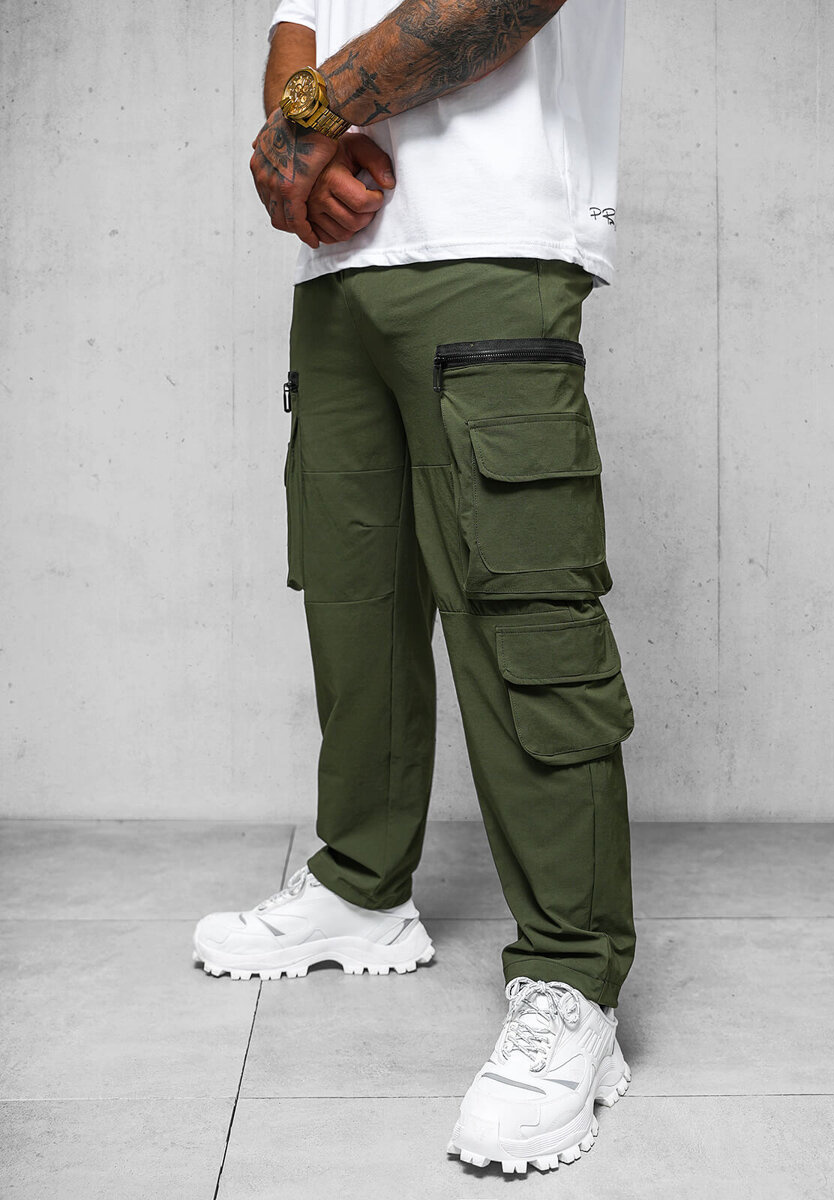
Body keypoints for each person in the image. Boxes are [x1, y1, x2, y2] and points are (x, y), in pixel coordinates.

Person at [194, 0, 636, 1176]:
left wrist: (307, 120)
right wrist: (300, 154)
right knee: (354, 601)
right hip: (340, 265)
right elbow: (295, 23)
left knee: (526, 618)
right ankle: (361, 883)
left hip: (495, 243)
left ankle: (573, 978)